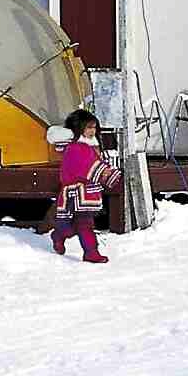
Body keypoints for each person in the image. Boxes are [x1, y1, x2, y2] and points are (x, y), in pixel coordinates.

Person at [49, 109, 122, 264]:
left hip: (87, 193)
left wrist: (106, 169)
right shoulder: (75, 148)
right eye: (88, 127)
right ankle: (59, 235)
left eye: (94, 127)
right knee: (69, 227)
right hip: (74, 194)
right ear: (79, 127)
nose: (92, 131)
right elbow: (85, 166)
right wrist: (104, 173)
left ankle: (91, 252)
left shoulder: (90, 146)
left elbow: (95, 163)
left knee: (85, 224)